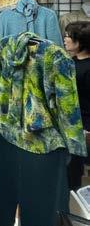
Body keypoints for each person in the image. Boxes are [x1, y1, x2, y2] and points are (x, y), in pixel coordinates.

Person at [64, 21, 90, 189]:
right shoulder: (71, 62)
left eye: (68, 36)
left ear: (80, 41)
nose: (65, 39)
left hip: (83, 125)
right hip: (70, 121)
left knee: (74, 167)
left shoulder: (87, 67)